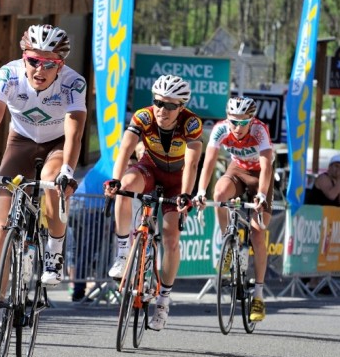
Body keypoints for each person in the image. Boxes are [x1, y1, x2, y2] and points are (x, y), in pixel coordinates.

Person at [0, 24, 86, 351]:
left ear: (61, 64)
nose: (39, 70)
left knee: (52, 183)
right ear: (24, 57)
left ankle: (55, 251)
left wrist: (68, 171)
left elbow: (75, 132)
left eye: (49, 64)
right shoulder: (9, 74)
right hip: (20, 141)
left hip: (58, 144)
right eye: (33, 61)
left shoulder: (73, 82)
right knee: (1, 230)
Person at [103, 75, 202, 330]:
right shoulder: (143, 116)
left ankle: (163, 300)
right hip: (150, 168)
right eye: (158, 102)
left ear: (181, 107)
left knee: (171, 237)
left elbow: (192, 163)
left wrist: (186, 194)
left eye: (170, 105)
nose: (162, 110)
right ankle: (123, 253)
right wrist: (115, 179)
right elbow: (125, 149)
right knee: (125, 187)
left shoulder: (191, 123)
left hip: (177, 179)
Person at [194, 96, 275, 322]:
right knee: (219, 194)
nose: (237, 127)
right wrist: (200, 191)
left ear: (251, 120)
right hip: (238, 169)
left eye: (243, 122)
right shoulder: (220, 129)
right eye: (233, 121)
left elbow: (266, 167)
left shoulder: (259, 131)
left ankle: (258, 295)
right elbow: (209, 162)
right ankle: (228, 242)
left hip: (260, 176)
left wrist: (261, 195)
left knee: (258, 232)